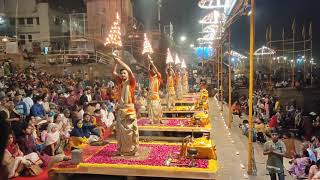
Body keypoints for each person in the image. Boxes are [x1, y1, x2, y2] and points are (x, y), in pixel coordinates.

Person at [112, 54, 139, 156]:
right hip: (121, 108)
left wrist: (119, 61)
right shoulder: (120, 82)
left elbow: (130, 70)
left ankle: (133, 149)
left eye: (124, 73)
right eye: (122, 73)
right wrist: (115, 62)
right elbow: (113, 72)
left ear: (128, 75)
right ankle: (122, 150)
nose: (123, 75)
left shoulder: (131, 82)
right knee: (120, 131)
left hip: (129, 109)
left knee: (132, 129)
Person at [147, 60, 162, 124]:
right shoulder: (151, 77)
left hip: (155, 95)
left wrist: (152, 63)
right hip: (150, 95)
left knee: (157, 108)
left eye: (153, 69)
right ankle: (151, 120)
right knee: (150, 109)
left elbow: (156, 71)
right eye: (151, 70)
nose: (152, 70)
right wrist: (149, 63)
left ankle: (158, 119)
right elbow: (148, 71)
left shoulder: (158, 76)